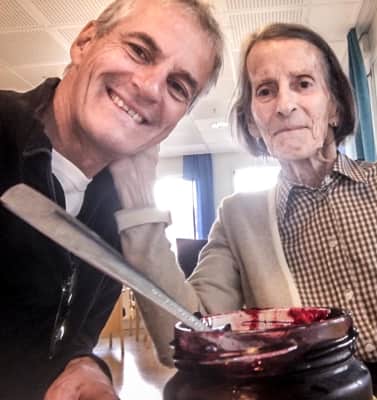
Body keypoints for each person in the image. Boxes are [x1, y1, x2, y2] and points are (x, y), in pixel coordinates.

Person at [111, 23, 377, 397]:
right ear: (252, 122)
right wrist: (139, 204)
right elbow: (186, 340)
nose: (285, 105)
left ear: (334, 107)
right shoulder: (238, 219)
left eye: (303, 84)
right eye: (265, 91)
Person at [0, 0, 223, 398]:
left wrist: (85, 365)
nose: (150, 87)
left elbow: (74, 335)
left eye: (177, 86)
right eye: (139, 51)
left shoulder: (113, 210)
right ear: (85, 42)